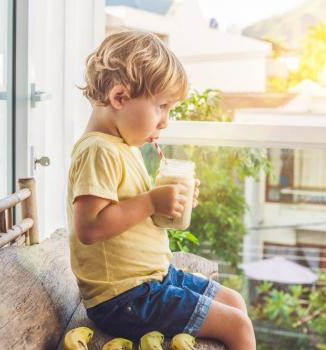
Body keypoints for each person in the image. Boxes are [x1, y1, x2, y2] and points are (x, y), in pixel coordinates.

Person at [66, 31, 256, 350]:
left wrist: (166, 205)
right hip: (125, 298)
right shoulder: (99, 151)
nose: (165, 121)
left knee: (234, 301)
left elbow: (130, 218)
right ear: (119, 98)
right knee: (237, 326)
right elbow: (89, 227)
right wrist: (152, 200)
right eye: (162, 106)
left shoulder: (123, 147)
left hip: (153, 279)